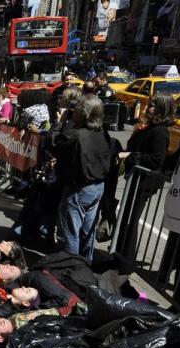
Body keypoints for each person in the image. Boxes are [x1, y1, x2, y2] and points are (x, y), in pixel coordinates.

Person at [115, 94, 175, 260]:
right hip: (136, 180)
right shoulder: (149, 127)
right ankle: (119, 255)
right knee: (126, 218)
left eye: (152, 106)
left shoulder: (160, 131)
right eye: (149, 104)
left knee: (130, 220)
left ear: (161, 110)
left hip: (144, 183)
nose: (148, 108)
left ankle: (124, 260)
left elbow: (157, 159)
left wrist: (131, 155)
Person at [53, 96, 111, 260]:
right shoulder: (101, 133)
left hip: (79, 189)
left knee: (70, 232)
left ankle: (69, 266)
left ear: (83, 113)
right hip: (97, 187)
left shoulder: (77, 135)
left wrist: (60, 122)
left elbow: (54, 143)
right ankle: (85, 265)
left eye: (77, 108)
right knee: (87, 231)